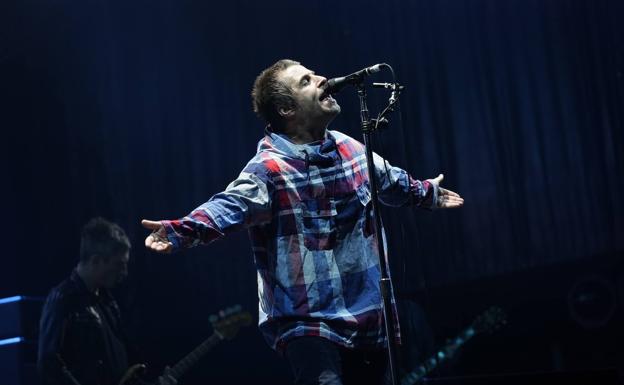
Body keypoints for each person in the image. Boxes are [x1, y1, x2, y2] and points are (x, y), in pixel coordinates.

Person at [142, 59, 463, 385]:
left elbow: (391, 181)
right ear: (286, 109)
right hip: (308, 324)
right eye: (307, 81)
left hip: (367, 317)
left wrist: (427, 193)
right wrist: (182, 230)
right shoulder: (269, 169)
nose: (323, 79)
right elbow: (230, 206)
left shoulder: (349, 148)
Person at [38, 217, 176, 385]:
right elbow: (50, 364)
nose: (124, 272)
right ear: (96, 260)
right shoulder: (63, 299)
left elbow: (125, 368)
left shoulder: (108, 303)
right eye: (119, 264)